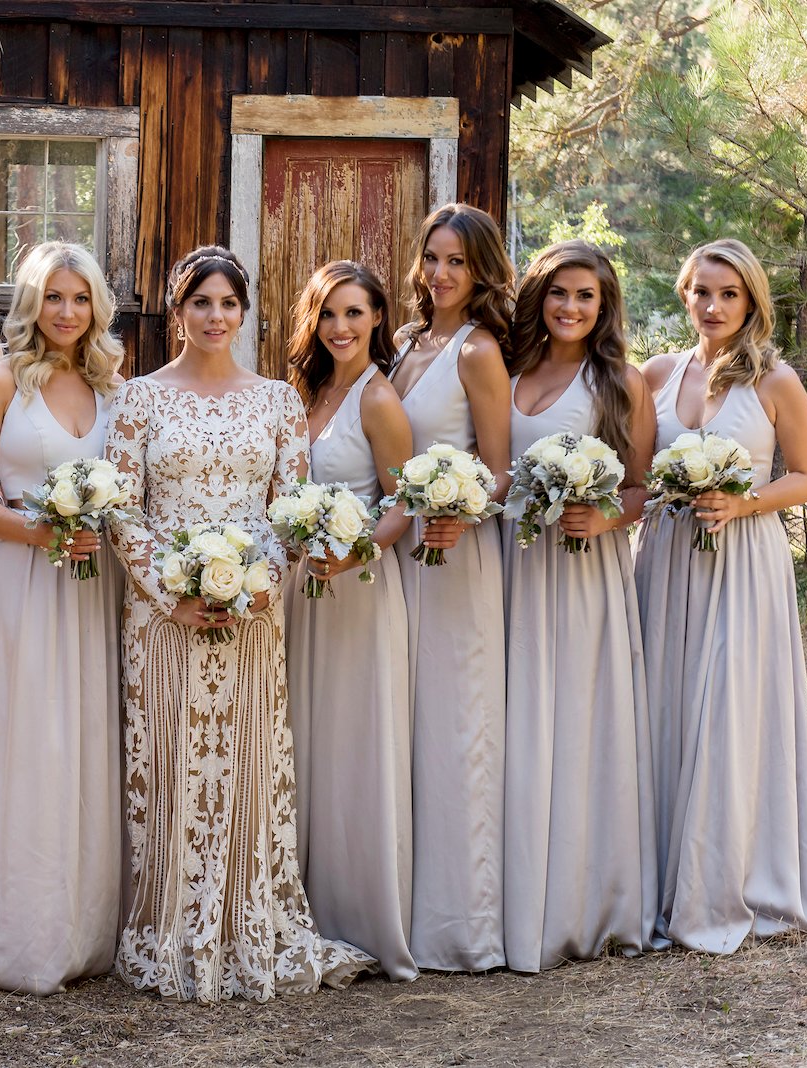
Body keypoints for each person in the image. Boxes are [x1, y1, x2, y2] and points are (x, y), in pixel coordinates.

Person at [104, 245, 374, 1003]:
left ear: (243, 312)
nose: (215, 317)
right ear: (177, 311)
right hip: (163, 618)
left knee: (247, 764)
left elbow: (291, 509)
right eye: (201, 303)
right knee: (172, 761)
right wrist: (170, 591)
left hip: (254, 612)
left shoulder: (279, 401)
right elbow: (123, 507)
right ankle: (172, 931)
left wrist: (262, 582)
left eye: (228, 304)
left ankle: (248, 924)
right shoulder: (140, 400)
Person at [636, 238, 807, 952]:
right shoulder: (656, 374)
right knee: (665, 706)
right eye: (701, 291)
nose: (713, 305)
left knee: (730, 708)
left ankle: (732, 880)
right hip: (666, 561)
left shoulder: (775, 380)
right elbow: (635, 479)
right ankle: (661, 877)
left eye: (728, 294)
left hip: (743, 560)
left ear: (750, 301)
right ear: (683, 294)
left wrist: (743, 502)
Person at [0, 242, 126, 993]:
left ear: (97, 307)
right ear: (31, 304)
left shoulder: (117, 387)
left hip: (93, 586)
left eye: (80, 299)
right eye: (54, 297)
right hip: (23, 579)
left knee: (85, 741)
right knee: (25, 744)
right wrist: (38, 531)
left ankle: (85, 933)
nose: (68, 312)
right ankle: (13, 937)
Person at [502, 239, 658, 972]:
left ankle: (579, 899)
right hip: (505, 565)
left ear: (604, 306)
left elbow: (637, 486)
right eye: (559, 292)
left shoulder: (619, 382)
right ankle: (507, 891)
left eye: (585, 296)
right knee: (510, 722)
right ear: (540, 296)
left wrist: (603, 518)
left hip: (580, 569)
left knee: (573, 720)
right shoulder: (505, 368)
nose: (570, 307)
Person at [283, 261, 418, 980]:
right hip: (306, 592)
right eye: (329, 314)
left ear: (376, 320)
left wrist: (353, 546)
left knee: (355, 746)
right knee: (308, 741)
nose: (341, 327)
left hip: (358, 588)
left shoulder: (377, 399)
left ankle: (364, 913)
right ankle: (306, 899)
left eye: (356, 314)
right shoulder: (308, 391)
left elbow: (405, 503)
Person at [389, 204, 514, 971]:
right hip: (398, 551)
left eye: (457, 263)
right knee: (408, 723)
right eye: (433, 257)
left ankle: (461, 922)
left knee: (456, 724)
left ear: (481, 272)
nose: (440, 274)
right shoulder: (403, 342)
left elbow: (498, 468)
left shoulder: (478, 352)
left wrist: (462, 516)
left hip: (455, 554)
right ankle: (401, 899)